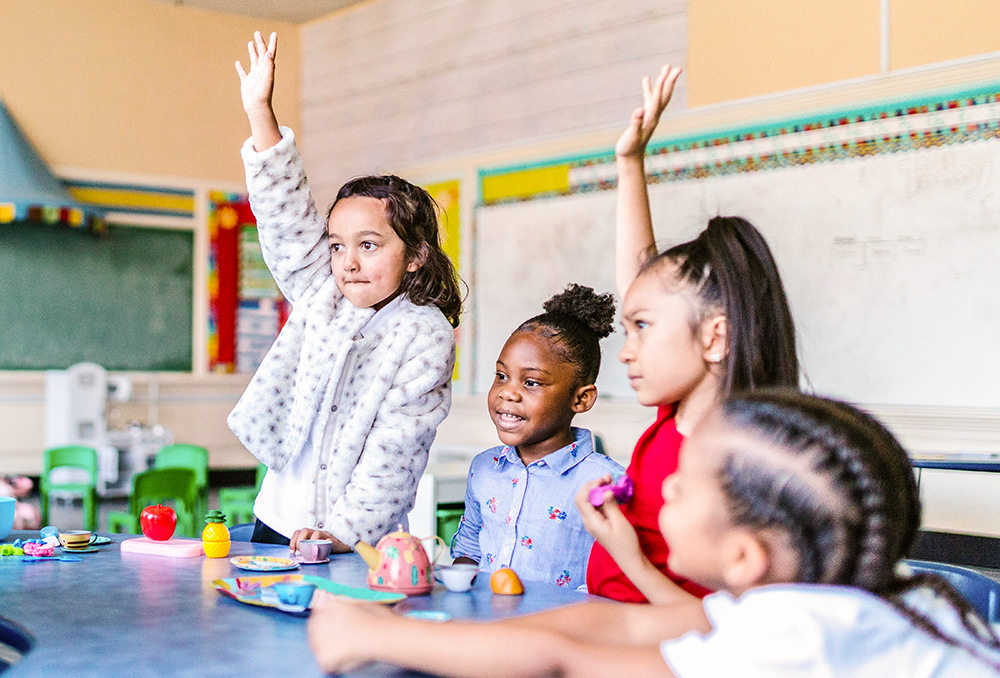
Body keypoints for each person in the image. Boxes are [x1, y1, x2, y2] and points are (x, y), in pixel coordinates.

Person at [306, 391, 1000, 678]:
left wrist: (378, 637)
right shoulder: (842, 597)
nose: (665, 484)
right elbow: (623, 629)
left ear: (742, 557)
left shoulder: (800, 635)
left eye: (687, 483)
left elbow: (567, 662)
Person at [227, 32, 462, 553]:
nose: (348, 261)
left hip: (351, 538)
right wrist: (261, 114)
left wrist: (342, 534)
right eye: (337, 245)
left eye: (370, 245)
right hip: (276, 520)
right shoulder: (323, 293)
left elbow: (397, 451)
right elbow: (286, 217)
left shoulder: (423, 335)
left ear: (416, 254)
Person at [578, 64, 800, 603]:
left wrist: (630, 558)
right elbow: (642, 285)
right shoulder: (673, 415)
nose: (627, 354)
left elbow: (723, 629)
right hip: (612, 627)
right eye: (629, 330)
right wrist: (629, 163)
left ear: (715, 338)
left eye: (643, 330)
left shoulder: (736, 458)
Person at [449, 284, 624, 587]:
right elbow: (468, 550)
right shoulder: (484, 468)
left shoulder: (605, 483)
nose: (508, 392)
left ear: (581, 399)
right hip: (487, 629)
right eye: (502, 376)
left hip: (562, 630)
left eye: (531, 382)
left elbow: (617, 577)